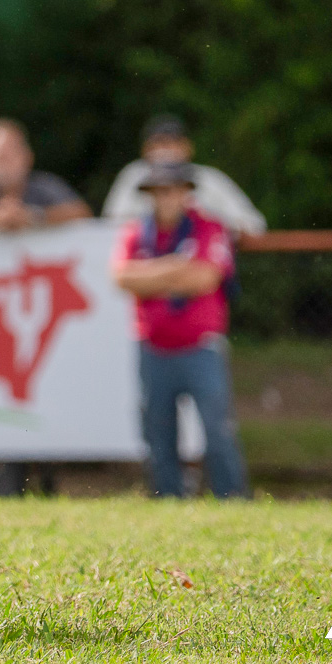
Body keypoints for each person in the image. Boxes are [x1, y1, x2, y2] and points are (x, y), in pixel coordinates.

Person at [111, 161, 250, 499]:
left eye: (172, 190)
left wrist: (151, 277)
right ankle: (167, 499)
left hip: (200, 346)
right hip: (153, 346)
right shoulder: (137, 232)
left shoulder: (208, 227)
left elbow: (206, 278)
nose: (166, 198)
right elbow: (121, 277)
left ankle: (231, 497)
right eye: (159, 191)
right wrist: (175, 268)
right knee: (158, 433)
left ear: (186, 193)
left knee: (217, 430)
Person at [103, 114, 266, 236]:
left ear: (188, 147)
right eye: (159, 143)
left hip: (200, 262)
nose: (165, 150)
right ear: (145, 149)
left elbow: (252, 225)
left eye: (172, 142)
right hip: (149, 264)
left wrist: (204, 226)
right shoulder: (134, 175)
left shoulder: (209, 178)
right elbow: (110, 226)